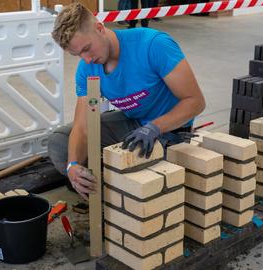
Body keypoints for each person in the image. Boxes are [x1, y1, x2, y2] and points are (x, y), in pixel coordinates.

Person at [49, 3, 205, 200]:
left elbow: (196, 102)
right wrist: (72, 166)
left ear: (100, 28)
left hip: (169, 130)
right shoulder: (87, 69)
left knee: (153, 180)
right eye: (77, 54)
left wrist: (154, 127)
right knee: (60, 142)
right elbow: (82, 127)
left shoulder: (153, 45)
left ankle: (126, 186)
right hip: (133, 124)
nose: (86, 59)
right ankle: (107, 186)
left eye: (87, 48)